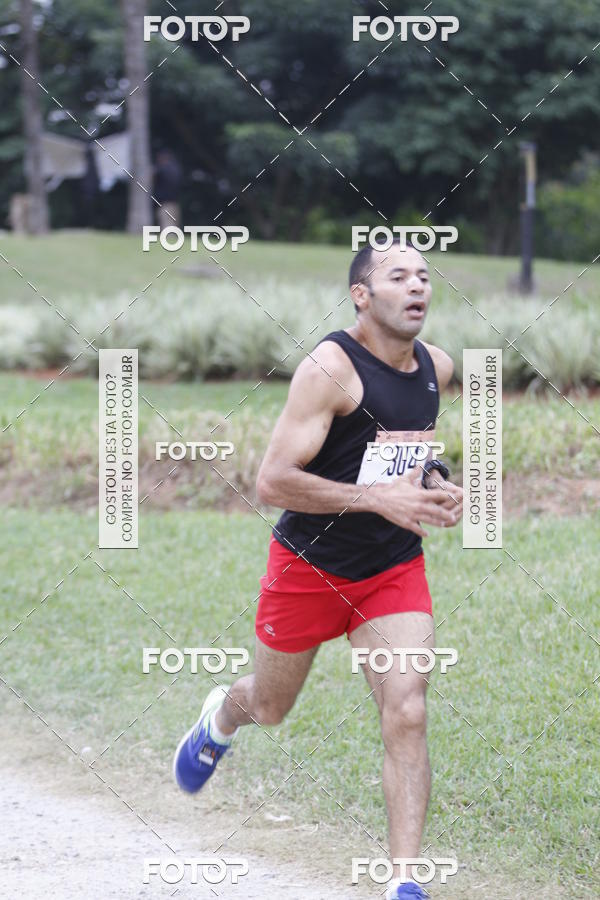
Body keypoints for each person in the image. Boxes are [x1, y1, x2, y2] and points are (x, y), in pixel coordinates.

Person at [173, 239, 464, 899]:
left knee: (407, 709)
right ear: (362, 295)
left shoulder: (435, 366)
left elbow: (403, 451)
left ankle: (403, 881)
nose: (417, 286)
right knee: (270, 706)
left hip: (390, 569)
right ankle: (222, 717)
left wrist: (434, 483)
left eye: (423, 275)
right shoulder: (329, 370)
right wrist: (378, 498)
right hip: (309, 568)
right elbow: (273, 480)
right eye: (398, 276)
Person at [153, 149, 182, 228]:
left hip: (165, 203)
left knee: (167, 226)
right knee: (173, 226)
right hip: (174, 203)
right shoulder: (176, 169)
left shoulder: (162, 170)